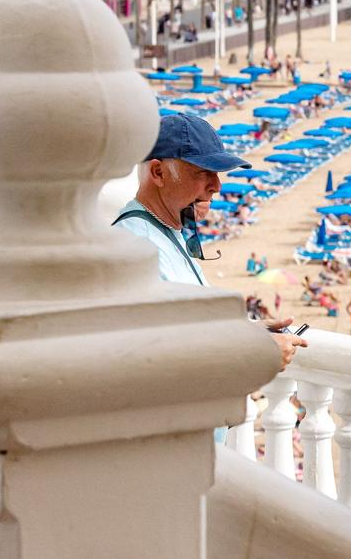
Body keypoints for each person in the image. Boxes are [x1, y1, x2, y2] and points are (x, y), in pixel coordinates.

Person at [115, 114, 303, 370]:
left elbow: (186, 327)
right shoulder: (136, 244)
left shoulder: (164, 230)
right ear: (158, 172)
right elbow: (157, 348)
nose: (217, 186)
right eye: (203, 173)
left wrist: (246, 331)